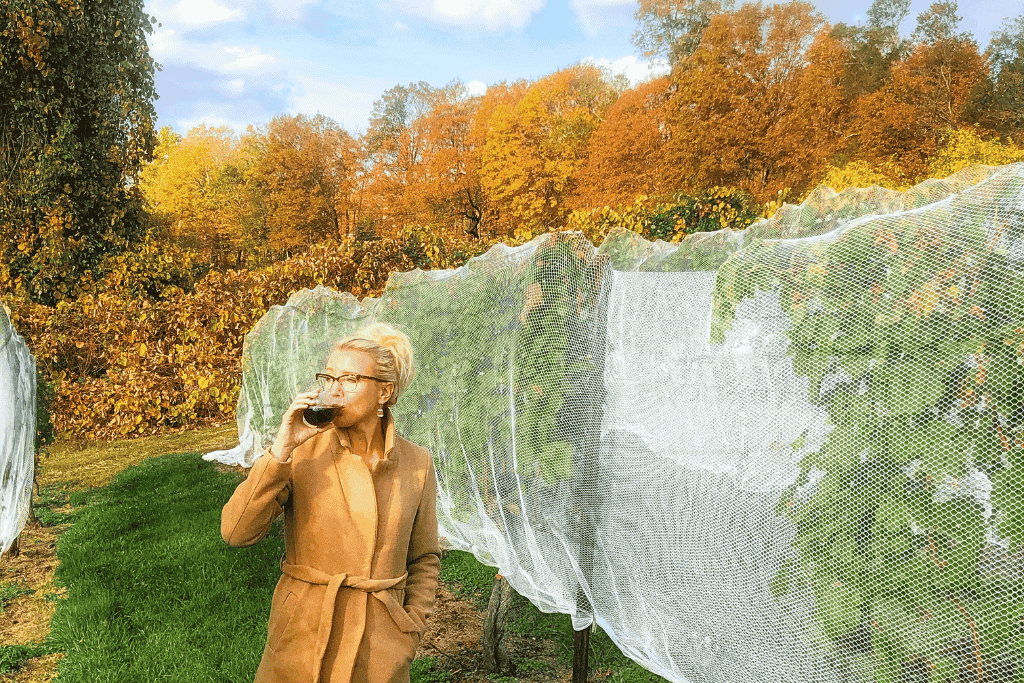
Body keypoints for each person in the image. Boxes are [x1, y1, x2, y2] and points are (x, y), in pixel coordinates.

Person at [221, 323, 440, 683]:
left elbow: (425, 557)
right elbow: (236, 532)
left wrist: (408, 629)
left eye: (349, 380)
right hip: (302, 638)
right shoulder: (303, 452)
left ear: (384, 391)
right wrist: (281, 450)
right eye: (328, 378)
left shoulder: (417, 464)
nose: (333, 391)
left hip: (379, 649)